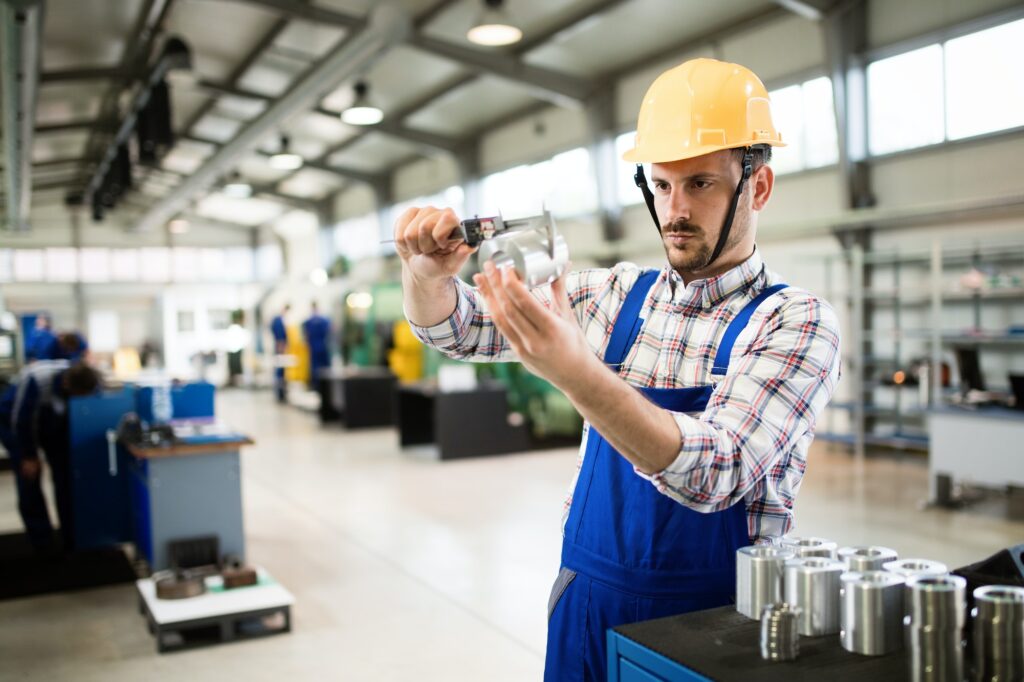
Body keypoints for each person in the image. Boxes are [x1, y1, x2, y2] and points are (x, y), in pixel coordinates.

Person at [393, 58, 842, 681]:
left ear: (757, 187)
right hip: (588, 602)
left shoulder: (796, 323)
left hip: (721, 626)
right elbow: (458, 327)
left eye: (702, 184)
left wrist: (577, 373)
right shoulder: (609, 296)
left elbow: (719, 470)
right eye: (661, 185)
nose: (676, 210)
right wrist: (425, 276)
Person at [0, 357, 101, 552]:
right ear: (66, 384)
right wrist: (28, 456)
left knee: (65, 476)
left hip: (51, 424)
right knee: (29, 479)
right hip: (14, 423)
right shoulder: (36, 379)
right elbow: (20, 420)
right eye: (76, 395)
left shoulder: (88, 381)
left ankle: (71, 536)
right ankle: (42, 542)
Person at [301, 302, 331, 389]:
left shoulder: (309, 321)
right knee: (323, 367)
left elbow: (305, 334)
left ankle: (316, 385)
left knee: (315, 367)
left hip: (314, 347)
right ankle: (324, 386)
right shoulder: (324, 320)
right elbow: (330, 330)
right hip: (322, 346)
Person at [269, 304, 290, 402]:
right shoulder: (278, 320)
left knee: (281, 371)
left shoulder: (279, 320)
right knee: (279, 371)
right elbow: (279, 334)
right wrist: (281, 344)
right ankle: (279, 394)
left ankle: (281, 393)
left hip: (280, 347)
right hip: (280, 348)